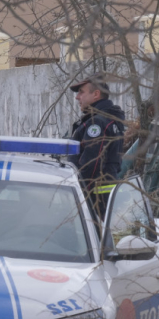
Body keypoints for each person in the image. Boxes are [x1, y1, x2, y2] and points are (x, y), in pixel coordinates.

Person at [67, 73, 124, 215]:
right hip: (101, 198)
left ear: (96, 94)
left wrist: (77, 193)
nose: (77, 97)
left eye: (81, 92)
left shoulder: (97, 123)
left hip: (93, 199)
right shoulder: (106, 119)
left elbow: (90, 165)